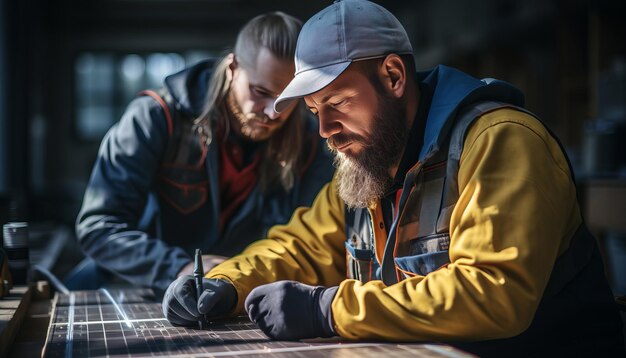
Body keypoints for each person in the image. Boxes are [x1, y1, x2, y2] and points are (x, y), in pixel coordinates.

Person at [162, 1, 625, 356]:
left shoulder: (500, 142)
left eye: (338, 102)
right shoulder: (364, 167)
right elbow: (298, 247)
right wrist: (225, 283)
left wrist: (327, 309)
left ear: (393, 75)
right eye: (314, 111)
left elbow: (492, 293)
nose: (324, 130)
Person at [70, 12, 334, 294]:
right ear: (233, 68)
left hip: (239, 293)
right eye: (259, 91)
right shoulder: (157, 118)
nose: (272, 112)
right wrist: (180, 268)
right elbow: (98, 228)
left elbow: (307, 243)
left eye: (286, 99)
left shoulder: (311, 141)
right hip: (137, 290)